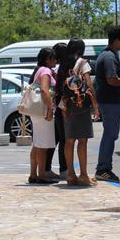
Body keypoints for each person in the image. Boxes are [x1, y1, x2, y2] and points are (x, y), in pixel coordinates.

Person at [57, 38, 99, 187]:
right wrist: (95, 105)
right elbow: (88, 84)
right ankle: (83, 175)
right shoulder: (82, 63)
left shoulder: (62, 64)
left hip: (66, 105)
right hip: (81, 105)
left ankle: (70, 175)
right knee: (82, 140)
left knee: (69, 141)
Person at [94, 26, 120, 183]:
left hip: (110, 100)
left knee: (111, 134)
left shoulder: (108, 55)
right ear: (117, 40)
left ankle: (104, 167)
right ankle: (103, 169)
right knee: (110, 134)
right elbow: (111, 79)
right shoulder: (109, 57)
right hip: (109, 102)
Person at [28, 48, 58, 184]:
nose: (56, 61)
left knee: (37, 143)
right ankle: (41, 175)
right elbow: (45, 90)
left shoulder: (39, 70)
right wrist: (50, 109)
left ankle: (33, 174)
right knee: (43, 145)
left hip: (37, 112)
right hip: (43, 111)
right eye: (53, 58)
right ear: (48, 59)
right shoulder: (46, 71)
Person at [44, 42, 68, 180]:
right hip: (59, 108)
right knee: (62, 139)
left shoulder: (57, 69)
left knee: (55, 139)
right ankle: (63, 169)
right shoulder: (61, 69)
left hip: (56, 107)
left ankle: (47, 168)